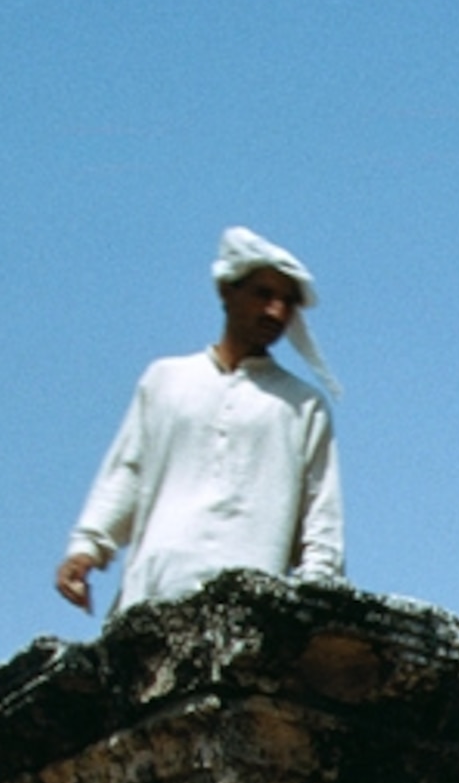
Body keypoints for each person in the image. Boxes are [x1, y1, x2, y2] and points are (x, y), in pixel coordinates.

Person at [55, 227, 345, 615]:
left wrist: (316, 597)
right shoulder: (166, 379)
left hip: (250, 610)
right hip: (154, 592)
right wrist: (87, 549)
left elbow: (320, 512)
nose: (276, 311)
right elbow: (128, 472)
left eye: (287, 301)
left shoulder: (301, 405)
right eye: (264, 294)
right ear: (227, 291)